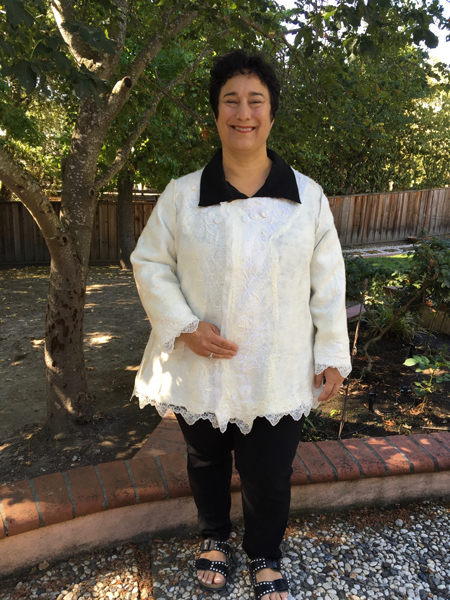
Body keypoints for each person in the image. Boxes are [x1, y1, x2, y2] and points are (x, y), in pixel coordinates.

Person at [131, 49, 351, 600]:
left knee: (269, 473)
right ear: (216, 114)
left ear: (272, 114)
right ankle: (213, 537)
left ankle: (264, 554)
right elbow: (150, 262)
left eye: (256, 101)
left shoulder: (307, 199)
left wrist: (331, 355)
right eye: (231, 101)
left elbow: (328, 283)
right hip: (200, 366)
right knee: (205, 460)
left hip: (278, 368)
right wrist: (185, 325)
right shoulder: (183, 195)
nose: (243, 112)